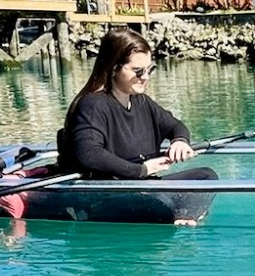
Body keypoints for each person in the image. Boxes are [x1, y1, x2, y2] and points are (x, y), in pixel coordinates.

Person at [58, 28, 217, 222]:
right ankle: (175, 215)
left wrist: (180, 141)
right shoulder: (93, 104)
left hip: (146, 186)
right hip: (109, 195)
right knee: (156, 203)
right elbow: (89, 154)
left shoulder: (142, 101)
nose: (145, 77)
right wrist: (141, 170)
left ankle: (184, 218)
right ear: (114, 67)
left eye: (150, 69)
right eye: (138, 71)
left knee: (207, 177)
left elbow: (176, 126)